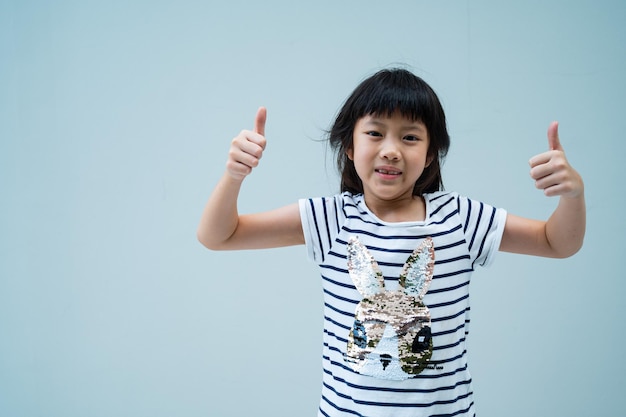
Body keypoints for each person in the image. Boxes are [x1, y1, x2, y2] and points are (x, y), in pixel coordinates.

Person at [197, 68, 585, 417]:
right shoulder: (330, 219)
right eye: (374, 132)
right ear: (349, 146)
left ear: (431, 154)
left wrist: (572, 195)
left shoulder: (460, 218)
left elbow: (556, 242)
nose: (391, 149)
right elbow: (219, 235)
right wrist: (234, 176)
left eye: (410, 137)